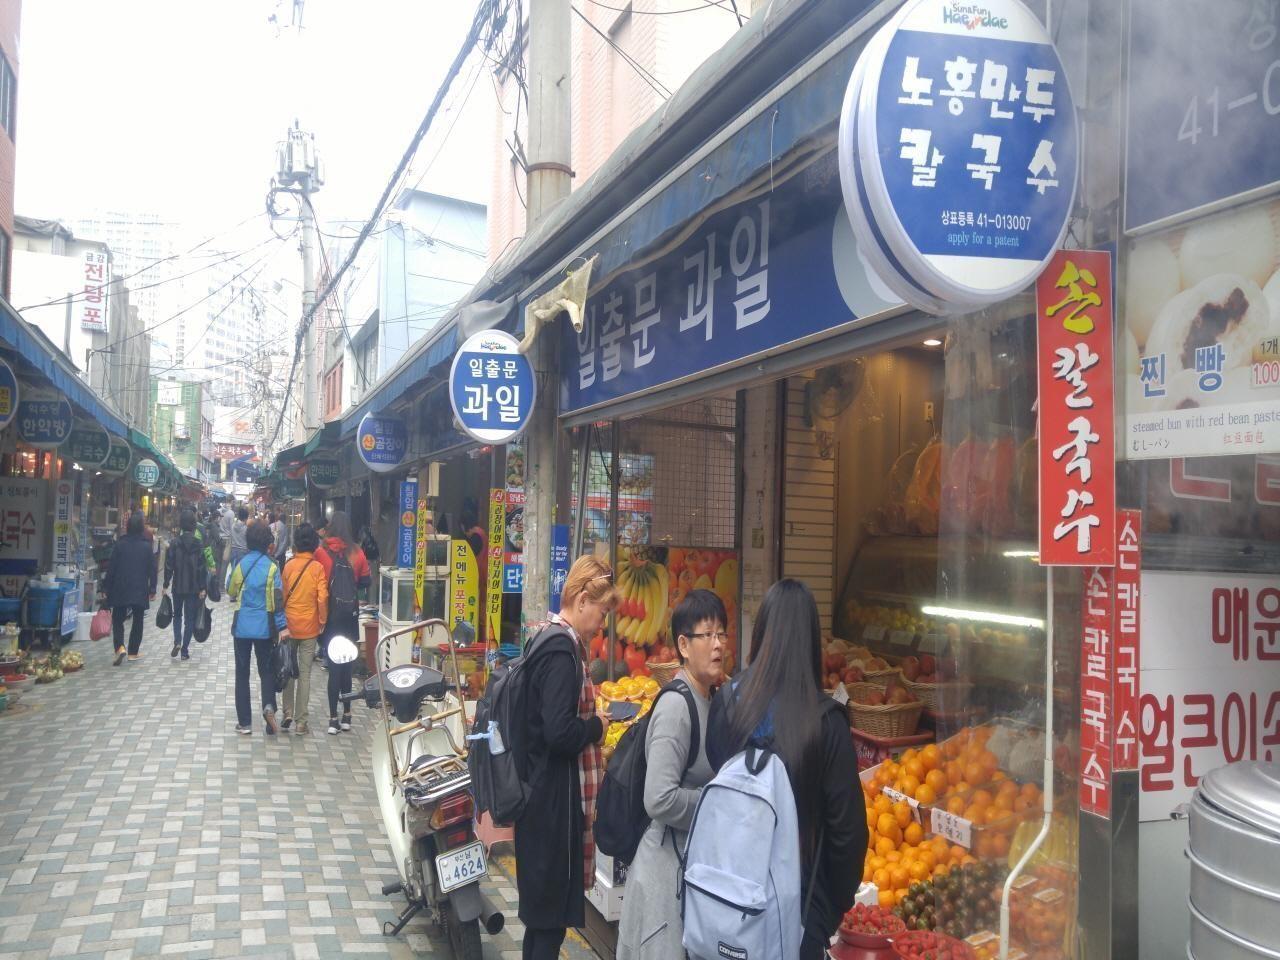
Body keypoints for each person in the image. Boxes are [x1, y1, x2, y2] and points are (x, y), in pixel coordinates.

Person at [705, 579, 867, 960]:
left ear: (761, 632)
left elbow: (717, 780)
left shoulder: (729, 702)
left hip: (727, 899)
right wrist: (827, 912)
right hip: (796, 915)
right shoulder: (826, 723)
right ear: (812, 640)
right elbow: (848, 834)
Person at [515, 555, 616, 960]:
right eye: (602, 610)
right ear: (581, 599)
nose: (603, 622)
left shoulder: (546, 637)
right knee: (548, 926)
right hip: (551, 807)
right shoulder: (562, 651)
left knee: (543, 923)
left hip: (541, 799)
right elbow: (558, 732)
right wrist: (596, 727)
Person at [617, 589, 727, 960]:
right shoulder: (678, 707)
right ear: (683, 644)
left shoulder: (711, 699)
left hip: (688, 869)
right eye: (707, 635)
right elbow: (659, 798)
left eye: (722, 634)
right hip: (664, 878)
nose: (717, 645)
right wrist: (719, 804)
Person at [227, 520, 288, 735]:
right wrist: (282, 627)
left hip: (242, 625)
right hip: (265, 627)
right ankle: (269, 706)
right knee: (266, 671)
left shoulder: (242, 564)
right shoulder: (272, 567)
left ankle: (244, 723)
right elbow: (278, 600)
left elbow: (230, 589)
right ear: (268, 543)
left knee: (242, 673)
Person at [315, 511, 370, 734]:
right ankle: (347, 715)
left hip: (329, 617)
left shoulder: (321, 552)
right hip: (350, 616)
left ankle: (332, 719)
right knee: (347, 665)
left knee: (333, 667)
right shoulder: (357, 552)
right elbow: (366, 581)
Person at [280, 523, 327, 735]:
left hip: (289, 625)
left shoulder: (289, 566)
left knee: (288, 669)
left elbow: (282, 595)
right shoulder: (317, 568)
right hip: (310, 626)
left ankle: (287, 712)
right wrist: (322, 619)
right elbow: (323, 597)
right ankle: (301, 722)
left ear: (296, 542)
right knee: (305, 673)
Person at [99, 511, 157, 666]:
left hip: (120, 587)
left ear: (128, 527)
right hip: (139, 588)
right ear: (141, 528)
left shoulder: (120, 545)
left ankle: (119, 647)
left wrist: (106, 587)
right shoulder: (146, 546)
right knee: (138, 620)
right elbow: (153, 568)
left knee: (118, 619)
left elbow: (112, 568)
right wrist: (153, 589)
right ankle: (133, 652)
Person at [162, 508, 215, 661]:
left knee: (177, 615)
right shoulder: (198, 544)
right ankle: (184, 650)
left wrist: (165, 584)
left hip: (177, 586)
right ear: (193, 525)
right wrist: (203, 588)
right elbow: (201, 568)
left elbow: (168, 565)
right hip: (193, 588)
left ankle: (177, 641)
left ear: (181, 525)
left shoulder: (174, 543)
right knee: (189, 618)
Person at [229, 506, 249, 571]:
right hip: (243, 552)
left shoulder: (232, 526)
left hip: (233, 550)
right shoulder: (246, 529)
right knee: (241, 572)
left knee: (233, 571)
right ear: (246, 518)